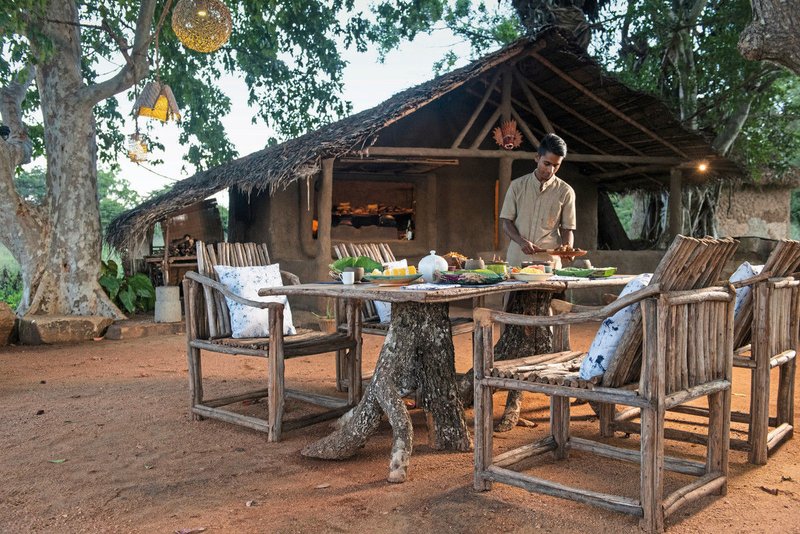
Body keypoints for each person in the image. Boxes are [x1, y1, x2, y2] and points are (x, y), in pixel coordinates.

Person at [499, 133, 575, 269]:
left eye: (556, 165)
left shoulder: (566, 191)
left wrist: (567, 248)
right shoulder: (516, 186)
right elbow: (506, 223)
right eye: (547, 164)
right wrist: (521, 242)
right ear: (537, 158)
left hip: (549, 263)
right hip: (517, 261)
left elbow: (567, 229)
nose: (550, 170)